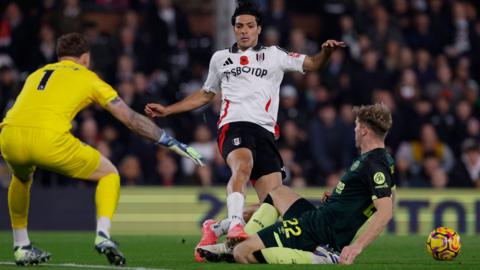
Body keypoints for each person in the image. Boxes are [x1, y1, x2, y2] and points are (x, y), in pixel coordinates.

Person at [144, 0, 345, 262]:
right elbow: (206, 94)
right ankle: (236, 224)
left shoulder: (275, 55)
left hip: (265, 134)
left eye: (250, 26)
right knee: (243, 165)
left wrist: (326, 52)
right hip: (234, 125)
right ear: (234, 29)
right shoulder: (221, 58)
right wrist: (168, 110)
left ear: (259, 29)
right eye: (239, 26)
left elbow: (314, 64)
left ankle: (217, 227)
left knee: (270, 207)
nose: (244, 31)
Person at [0, 33, 203, 266]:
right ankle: (103, 235)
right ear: (85, 58)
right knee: (109, 173)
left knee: (21, 178)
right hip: (48, 139)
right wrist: (169, 140)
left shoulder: (37, 73)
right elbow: (130, 119)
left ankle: (21, 245)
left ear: (59, 57)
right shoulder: (88, 77)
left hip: (8, 135)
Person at [198, 103, 395, 265]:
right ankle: (227, 233)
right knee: (277, 192)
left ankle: (322, 257)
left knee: (242, 253)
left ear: (364, 131)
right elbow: (367, 197)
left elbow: (385, 211)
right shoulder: (380, 160)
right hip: (322, 218)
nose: (354, 130)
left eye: (356, 126)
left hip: (320, 231)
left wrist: (356, 246)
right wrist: (337, 198)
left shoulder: (374, 164)